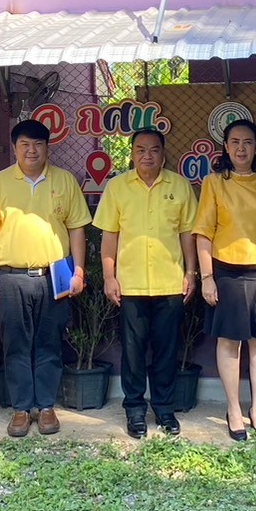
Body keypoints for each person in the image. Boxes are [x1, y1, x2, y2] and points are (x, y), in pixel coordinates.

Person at [0, 119, 90, 438]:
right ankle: (22, 409)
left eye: (38, 144)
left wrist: (79, 271)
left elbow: (76, 228)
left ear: (47, 147)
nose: (31, 150)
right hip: (10, 277)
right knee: (16, 345)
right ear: (15, 148)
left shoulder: (64, 181)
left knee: (50, 342)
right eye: (24, 144)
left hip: (55, 276)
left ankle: (47, 406)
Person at [94, 128, 198, 439]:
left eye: (154, 150)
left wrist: (191, 272)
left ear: (163, 154)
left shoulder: (179, 186)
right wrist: (109, 277)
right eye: (140, 149)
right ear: (132, 154)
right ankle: (135, 409)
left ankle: (165, 409)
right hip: (131, 284)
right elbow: (109, 237)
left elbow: (187, 234)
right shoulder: (117, 187)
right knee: (133, 351)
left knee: (167, 350)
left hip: (170, 283)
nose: (147, 155)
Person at [192, 119, 256, 443]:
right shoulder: (214, 183)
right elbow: (203, 233)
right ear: (225, 147)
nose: (241, 148)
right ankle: (234, 409)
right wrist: (207, 277)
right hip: (226, 271)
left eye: (248, 142)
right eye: (234, 142)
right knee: (229, 342)